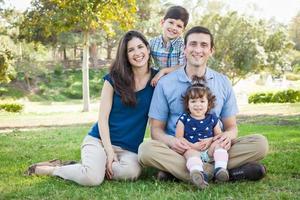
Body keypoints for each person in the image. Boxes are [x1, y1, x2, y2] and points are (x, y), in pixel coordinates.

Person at [138, 26, 269, 187]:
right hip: (180, 152)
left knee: (260, 144)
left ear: (211, 50)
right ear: (185, 49)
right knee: (146, 150)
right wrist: (172, 142)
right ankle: (225, 173)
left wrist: (226, 137)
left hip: (215, 149)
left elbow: (231, 127)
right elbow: (156, 130)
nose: (198, 49)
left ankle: (185, 172)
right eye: (193, 44)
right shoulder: (165, 83)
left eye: (204, 45)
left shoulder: (223, 82)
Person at [27, 30, 157, 186]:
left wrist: (166, 70)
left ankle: (86, 167)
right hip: (100, 141)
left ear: (148, 49)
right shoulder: (114, 79)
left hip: (129, 149)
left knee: (131, 173)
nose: (137, 53)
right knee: (92, 179)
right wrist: (109, 151)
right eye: (131, 50)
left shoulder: (157, 81)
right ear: (125, 55)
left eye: (140, 47)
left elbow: (182, 69)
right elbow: (102, 118)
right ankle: (55, 169)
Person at [175, 76, 229, 189]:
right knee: (190, 153)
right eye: (193, 101)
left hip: (209, 151)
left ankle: (220, 169)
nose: (197, 105)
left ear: (208, 104)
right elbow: (179, 138)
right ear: (187, 104)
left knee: (219, 145)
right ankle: (198, 173)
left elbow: (219, 136)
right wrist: (192, 146)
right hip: (192, 149)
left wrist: (210, 140)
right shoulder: (183, 119)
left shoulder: (212, 118)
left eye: (202, 101)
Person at [150, 5, 189, 86]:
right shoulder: (152, 42)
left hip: (177, 83)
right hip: (157, 82)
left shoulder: (183, 45)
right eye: (171, 22)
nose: (174, 28)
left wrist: (163, 71)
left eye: (179, 26)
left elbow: (183, 66)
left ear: (183, 30)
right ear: (162, 22)